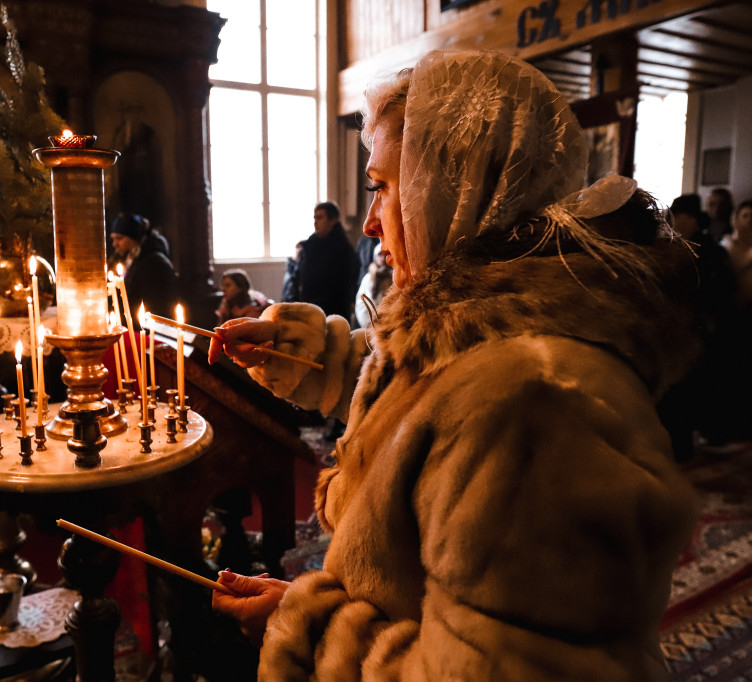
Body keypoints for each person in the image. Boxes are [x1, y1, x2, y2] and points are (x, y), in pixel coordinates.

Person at [208, 50, 706, 680]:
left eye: (382, 187)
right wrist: (313, 355)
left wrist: (309, 628)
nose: (368, 221)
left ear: (452, 190)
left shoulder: (531, 401)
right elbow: (425, 394)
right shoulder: (483, 328)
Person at [283, 202, 360, 319]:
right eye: (315, 217)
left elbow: (342, 285)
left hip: (331, 311)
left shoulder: (342, 249)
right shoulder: (311, 244)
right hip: (309, 307)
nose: (315, 222)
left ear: (332, 220)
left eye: (319, 217)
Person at [108, 212, 178, 322]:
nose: (115, 244)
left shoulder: (154, 263)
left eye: (119, 238)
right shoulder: (130, 257)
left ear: (134, 238)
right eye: (113, 239)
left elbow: (156, 305)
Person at [352, 241, 393, 329]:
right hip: (369, 324)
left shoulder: (393, 278)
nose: (383, 258)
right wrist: (369, 323)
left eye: (385, 255)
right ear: (375, 257)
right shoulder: (369, 278)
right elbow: (362, 302)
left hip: (388, 325)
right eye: (380, 255)